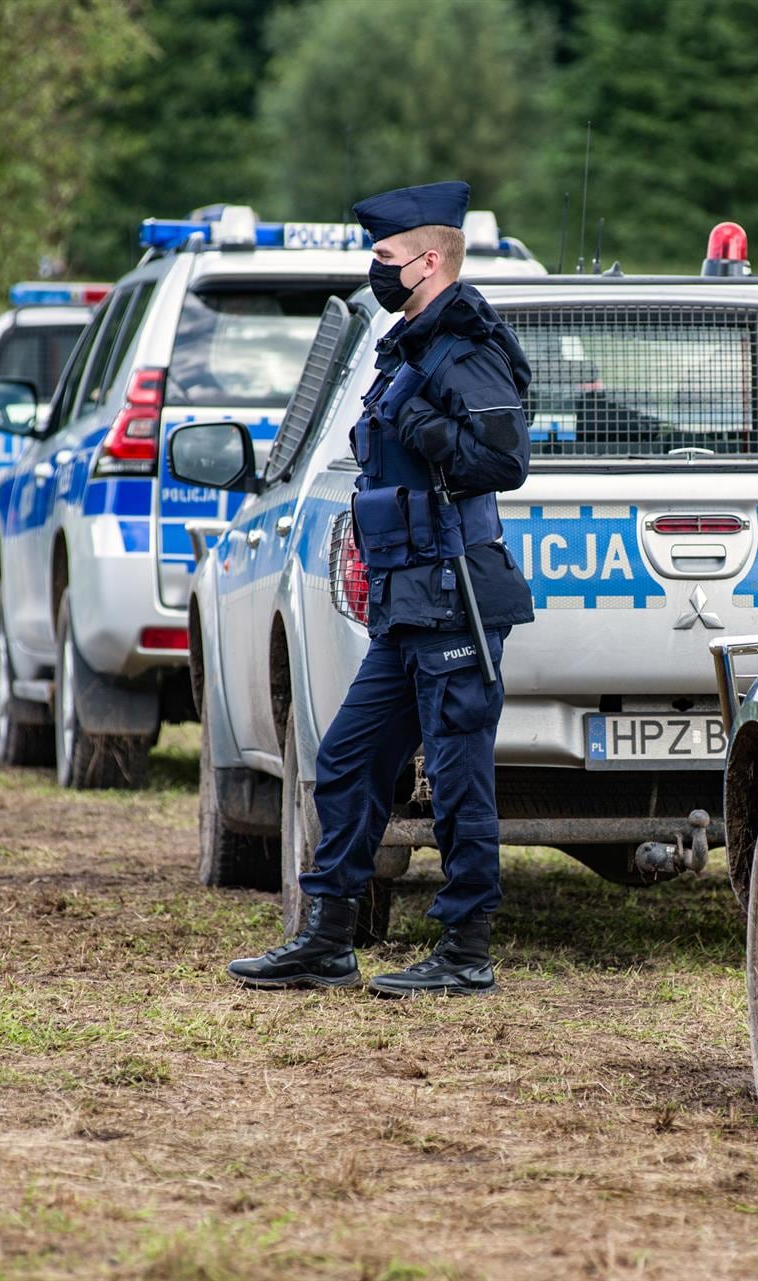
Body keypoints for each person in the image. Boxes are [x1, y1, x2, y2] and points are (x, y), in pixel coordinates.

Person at [227, 181, 535, 997]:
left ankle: (465, 951)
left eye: (388, 257)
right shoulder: (409, 346)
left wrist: (432, 432)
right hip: (405, 602)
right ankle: (328, 938)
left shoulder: (466, 347)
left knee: (460, 779)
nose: (377, 269)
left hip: (455, 593)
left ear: (430, 260)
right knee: (348, 759)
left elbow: (504, 460)